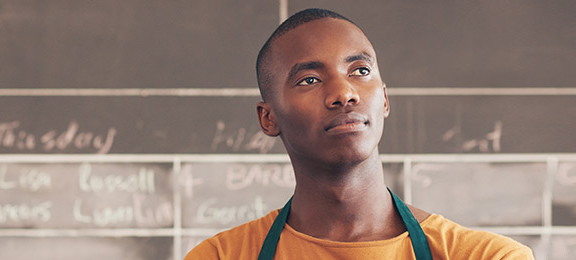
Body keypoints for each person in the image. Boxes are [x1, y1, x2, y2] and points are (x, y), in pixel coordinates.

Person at [185, 8, 535, 259]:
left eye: (360, 70)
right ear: (268, 118)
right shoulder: (220, 256)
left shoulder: (487, 256)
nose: (344, 93)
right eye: (310, 80)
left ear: (383, 98)